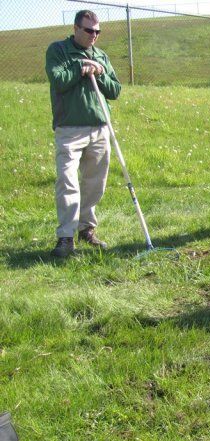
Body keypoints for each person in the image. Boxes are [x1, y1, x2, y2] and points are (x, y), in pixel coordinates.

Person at [45, 10, 121, 258]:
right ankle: (65, 237)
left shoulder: (101, 55)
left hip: (100, 127)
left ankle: (86, 229)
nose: (94, 35)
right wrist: (80, 67)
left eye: (98, 31)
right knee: (67, 181)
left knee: (94, 184)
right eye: (89, 30)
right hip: (70, 129)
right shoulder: (59, 51)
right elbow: (58, 81)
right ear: (76, 28)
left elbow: (115, 90)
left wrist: (99, 72)